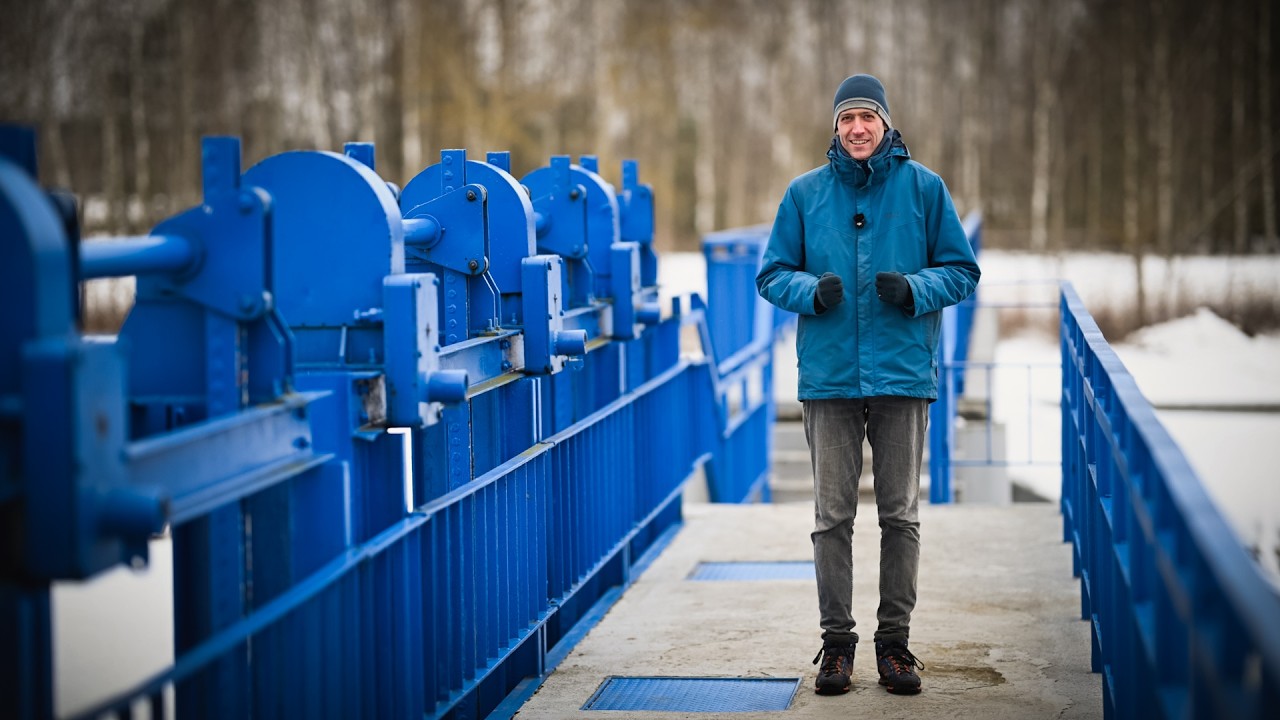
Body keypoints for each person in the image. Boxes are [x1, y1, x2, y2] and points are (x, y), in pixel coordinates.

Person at [755, 73, 980, 696]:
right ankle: (836, 645)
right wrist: (809, 290)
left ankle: (895, 645)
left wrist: (915, 289)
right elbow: (771, 274)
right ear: (835, 127)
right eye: (847, 118)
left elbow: (962, 270)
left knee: (900, 515)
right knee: (832, 517)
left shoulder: (924, 189)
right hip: (829, 380)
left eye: (868, 118)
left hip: (902, 376)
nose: (858, 128)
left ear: (886, 124)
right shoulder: (804, 194)